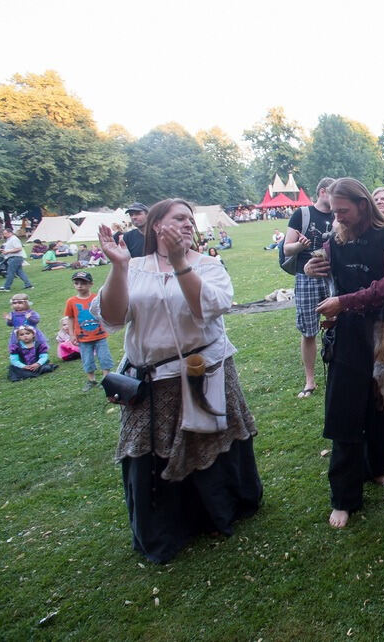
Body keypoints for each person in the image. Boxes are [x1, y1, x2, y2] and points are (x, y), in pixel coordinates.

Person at [92, 198, 262, 564]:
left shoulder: (208, 265)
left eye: (190, 219)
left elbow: (206, 308)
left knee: (208, 441)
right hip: (151, 379)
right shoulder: (135, 268)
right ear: (156, 225)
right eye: (178, 218)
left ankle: (217, 514)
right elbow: (113, 317)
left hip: (203, 370)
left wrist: (180, 261)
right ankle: (167, 527)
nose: (187, 224)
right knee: (151, 450)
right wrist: (119, 267)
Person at [303, 178, 384, 529]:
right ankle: (343, 498)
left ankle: (376, 468)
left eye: (343, 210)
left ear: (363, 205)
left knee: (381, 403)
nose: (337, 217)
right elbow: (301, 261)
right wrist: (308, 266)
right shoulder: (336, 240)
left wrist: (345, 301)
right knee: (344, 412)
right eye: (334, 211)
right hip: (349, 335)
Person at [284, 178, 336, 399]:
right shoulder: (302, 214)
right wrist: (300, 245)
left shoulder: (338, 215)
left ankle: (337, 370)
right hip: (307, 279)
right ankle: (310, 380)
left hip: (333, 277)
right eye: (334, 193)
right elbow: (287, 249)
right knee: (309, 331)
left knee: (338, 323)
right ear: (323, 192)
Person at [65, 270, 114, 391]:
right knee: (87, 359)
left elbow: (104, 313)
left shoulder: (96, 298)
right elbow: (70, 318)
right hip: (83, 338)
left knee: (104, 357)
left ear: (91, 284)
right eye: (76, 283)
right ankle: (91, 380)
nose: (79, 286)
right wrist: (72, 334)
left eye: (83, 283)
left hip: (100, 335)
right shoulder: (71, 301)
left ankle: (106, 379)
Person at [1, 226, 33, 292]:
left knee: (10, 272)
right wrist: (4, 250)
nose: (4, 235)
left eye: (5, 233)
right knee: (20, 272)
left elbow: (19, 248)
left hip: (15, 258)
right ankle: (28, 285)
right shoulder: (9, 239)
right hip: (15, 258)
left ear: (10, 233)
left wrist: (7, 252)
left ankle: (6, 287)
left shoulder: (14, 239)